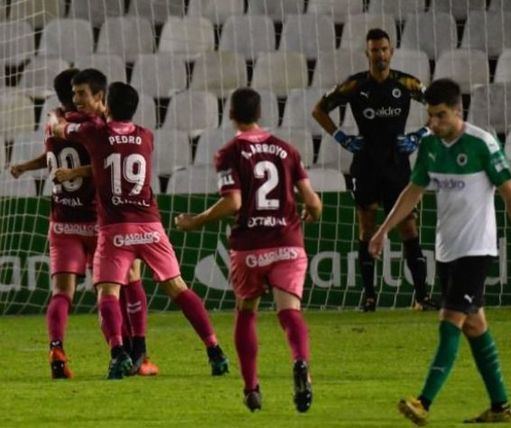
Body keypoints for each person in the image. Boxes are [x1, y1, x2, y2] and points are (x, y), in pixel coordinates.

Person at [369, 79, 511, 425]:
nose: (434, 123)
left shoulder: (482, 144)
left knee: (449, 322)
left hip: (476, 249)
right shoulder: (431, 147)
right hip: (447, 250)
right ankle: (501, 407)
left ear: (458, 112)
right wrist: (383, 230)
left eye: (441, 115)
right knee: (475, 325)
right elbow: (413, 192)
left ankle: (424, 401)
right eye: (430, 116)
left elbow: (510, 194)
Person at [49, 75, 229, 379]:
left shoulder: (96, 133)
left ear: (106, 105)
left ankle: (119, 353)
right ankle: (215, 350)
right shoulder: (146, 135)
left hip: (115, 228)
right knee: (178, 288)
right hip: (150, 226)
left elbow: (60, 129)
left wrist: (60, 119)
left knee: (107, 292)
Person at [175, 88, 322, 413]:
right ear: (260, 113)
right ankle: (300, 363)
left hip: (250, 247)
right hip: (287, 242)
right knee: (289, 313)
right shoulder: (287, 150)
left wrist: (197, 220)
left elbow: (234, 202)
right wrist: (314, 212)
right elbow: (312, 201)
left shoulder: (229, 152)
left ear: (230, 115)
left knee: (246, 312)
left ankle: (251, 386)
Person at [9, 68, 157, 378]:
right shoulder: (94, 125)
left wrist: (24, 166)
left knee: (62, 292)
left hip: (62, 220)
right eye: (77, 92)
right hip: (98, 221)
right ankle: (131, 355)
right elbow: (105, 163)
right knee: (123, 286)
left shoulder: (53, 122)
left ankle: (57, 349)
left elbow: (53, 156)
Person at [312, 28, 435, 312]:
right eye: (374, 50)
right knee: (366, 228)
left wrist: (421, 134)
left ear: (390, 52)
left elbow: (438, 105)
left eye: (383, 49)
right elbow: (319, 110)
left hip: (397, 165)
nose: (379, 55)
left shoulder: (406, 83)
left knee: (407, 226)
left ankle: (421, 296)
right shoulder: (354, 86)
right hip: (365, 164)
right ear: (367, 53)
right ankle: (369, 297)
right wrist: (341, 136)